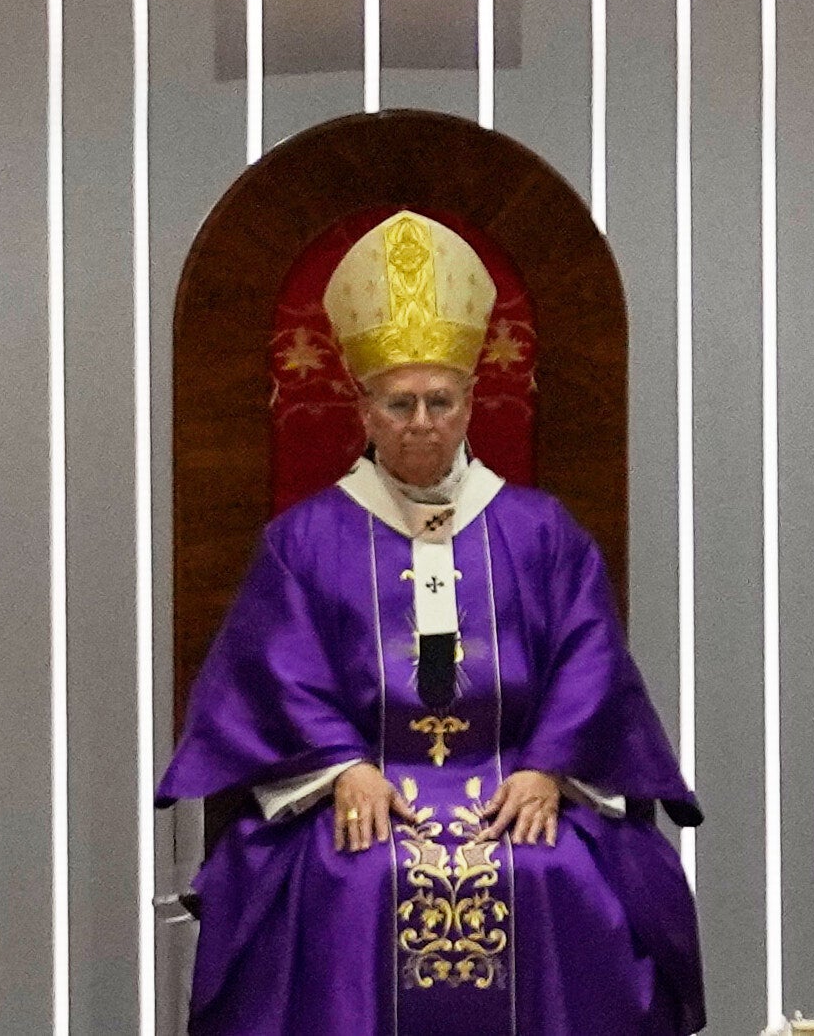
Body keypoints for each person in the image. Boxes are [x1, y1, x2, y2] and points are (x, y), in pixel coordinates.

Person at [162, 210, 709, 1036]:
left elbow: (589, 657)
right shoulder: (306, 540)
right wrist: (342, 767)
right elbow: (277, 668)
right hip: (368, 795)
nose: (421, 420)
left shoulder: (540, 530)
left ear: (470, 402)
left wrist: (549, 767)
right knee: (351, 881)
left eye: (439, 399)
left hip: (516, 790)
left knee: (559, 873)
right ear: (365, 408)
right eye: (400, 401)